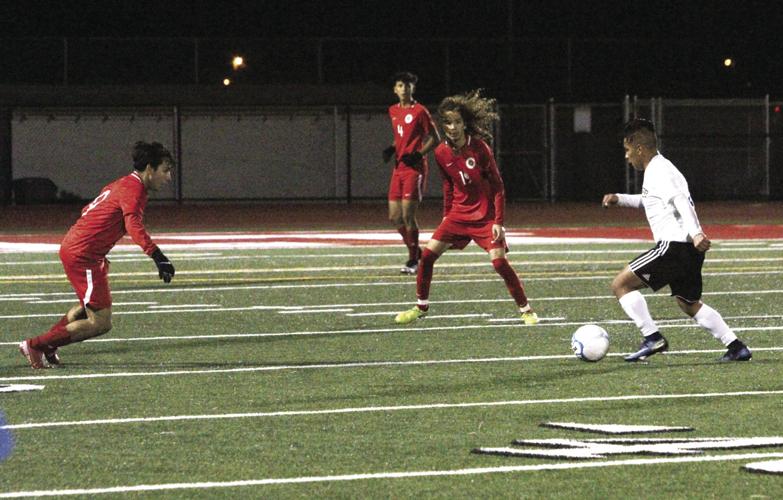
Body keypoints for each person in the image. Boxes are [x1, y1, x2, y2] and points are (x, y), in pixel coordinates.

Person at [603, 118, 752, 362]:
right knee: (689, 303)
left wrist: (696, 233)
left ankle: (652, 338)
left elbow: (681, 201)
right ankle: (736, 346)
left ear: (639, 148)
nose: (627, 157)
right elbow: (649, 200)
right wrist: (619, 198)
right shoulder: (660, 169)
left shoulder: (659, 170)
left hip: (674, 247)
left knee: (621, 285)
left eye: (628, 151)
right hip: (688, 250)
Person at [18, 141, 176, 369]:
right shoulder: (134, 189)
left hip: (83, 251)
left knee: (86, 307)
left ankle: (47, 345)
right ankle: (36, 344)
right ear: (150, 169)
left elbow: (89, 211)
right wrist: (157, 255)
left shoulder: (121, 184)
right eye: (165, 170)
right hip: (84, 255)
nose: (168, 177)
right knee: (101, 322)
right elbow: (133, 225)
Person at [395, 90, 538, 325]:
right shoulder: (440, 152)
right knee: (427, 256)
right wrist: (446, 216)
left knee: (499, 263)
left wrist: (498, 222)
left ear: (465, 123)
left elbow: (498, 187)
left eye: (458, 122)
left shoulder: (480, 149)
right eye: (448, 122)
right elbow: (448, 185)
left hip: (485, 217)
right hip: (458, 215)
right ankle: (421, 306)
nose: (453, 127)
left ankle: (527, 310)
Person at [383, 71, 440, 275]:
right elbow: (401, 137)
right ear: (395, 89)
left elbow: (436, 138)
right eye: (400, 85)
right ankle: (417, 253)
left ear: (412, 88)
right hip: (398, 168)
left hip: (414, 169)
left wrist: (418, 155)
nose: (404, 89)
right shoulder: (393, 110)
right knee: (394, 216)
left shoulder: (420, 111)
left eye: (407, 86)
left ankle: (413, 260)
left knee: (408, 215)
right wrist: (391, 148)